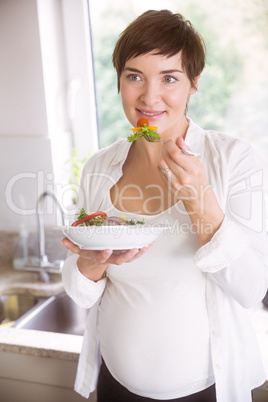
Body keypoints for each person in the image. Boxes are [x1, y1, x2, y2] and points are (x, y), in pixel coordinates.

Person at [61, 9, 268, 402]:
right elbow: (82, 291)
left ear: (193, 84)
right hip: (114, 385)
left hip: (205, 390)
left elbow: (251, 289)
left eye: (169, 78)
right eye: (134, 76)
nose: (148, 97)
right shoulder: (98, 168)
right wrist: (89, 264)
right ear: (120, 82)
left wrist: (201, 201)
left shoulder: (233, 160)